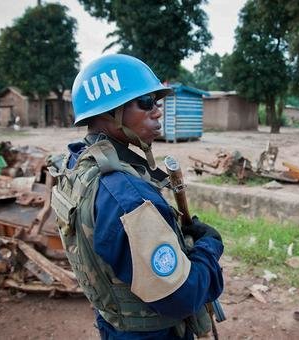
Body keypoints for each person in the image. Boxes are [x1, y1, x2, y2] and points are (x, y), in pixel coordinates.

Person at [48, 54, 224, 340]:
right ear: (110, 112)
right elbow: (182, 296)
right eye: (145, 102)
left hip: (114, 323)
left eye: (157, 101)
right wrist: (209, 248)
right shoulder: (128, 197)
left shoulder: (77, 164)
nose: (157, 111)